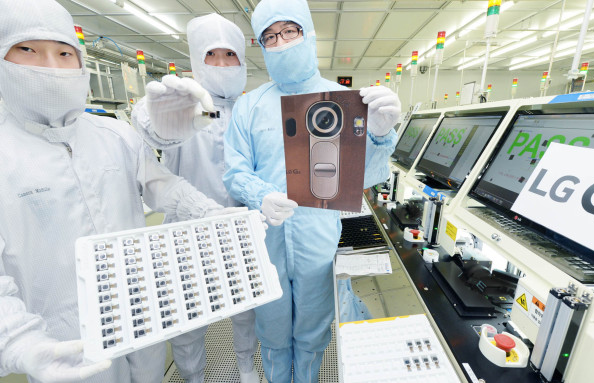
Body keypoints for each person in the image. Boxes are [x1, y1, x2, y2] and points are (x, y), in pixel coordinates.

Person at [0, 1, 233, 382]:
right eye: (28, 50)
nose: (51, 66)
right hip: (63, 337)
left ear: (80, 61)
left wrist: (210, 212)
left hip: (140, 311)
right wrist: (17, 342)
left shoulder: (114, 135)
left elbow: (163, 186)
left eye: (63, 53)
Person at [223, 0, 400, 381]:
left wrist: (380, 134)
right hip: (265, 242)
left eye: (289, 31)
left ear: (308, 33)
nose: (281, 42)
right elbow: (234, 171)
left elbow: (363, 177)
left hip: (318, 239)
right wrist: (259, 195)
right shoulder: (249, 106)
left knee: (313, 329)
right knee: (271, 329)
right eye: (270, 37)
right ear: (261, 45)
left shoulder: (343, 100)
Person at [132, 13, 259, 383]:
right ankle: (193, 376)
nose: (221, 64)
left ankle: (247, 366)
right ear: (195, 59)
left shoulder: (251, 111)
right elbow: (150, 125)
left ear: (242, 59)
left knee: (246, 308)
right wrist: (160, 118)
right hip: (187, 232)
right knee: (188, 315)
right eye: (211, 55)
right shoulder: (180, 102)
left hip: (242, 228)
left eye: (230, 55)